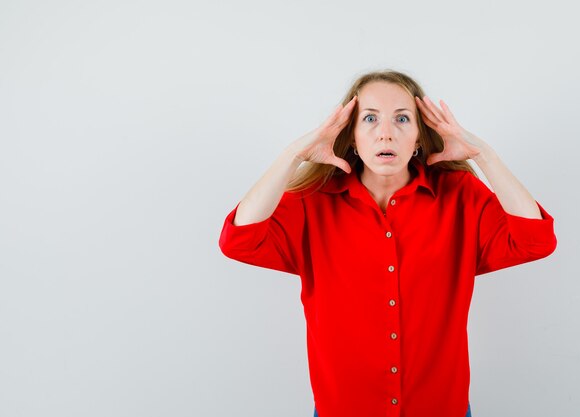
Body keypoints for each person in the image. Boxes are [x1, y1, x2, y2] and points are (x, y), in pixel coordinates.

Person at [218, 70, 557, 417]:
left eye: (402, 119)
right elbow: (239, 241)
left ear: (420, 137)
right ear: (351, 136)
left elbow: (536, 240)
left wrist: (483, 154)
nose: (386, 133)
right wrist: (293, 155)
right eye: (370, 119)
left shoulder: (460, 196)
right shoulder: (312, 202)